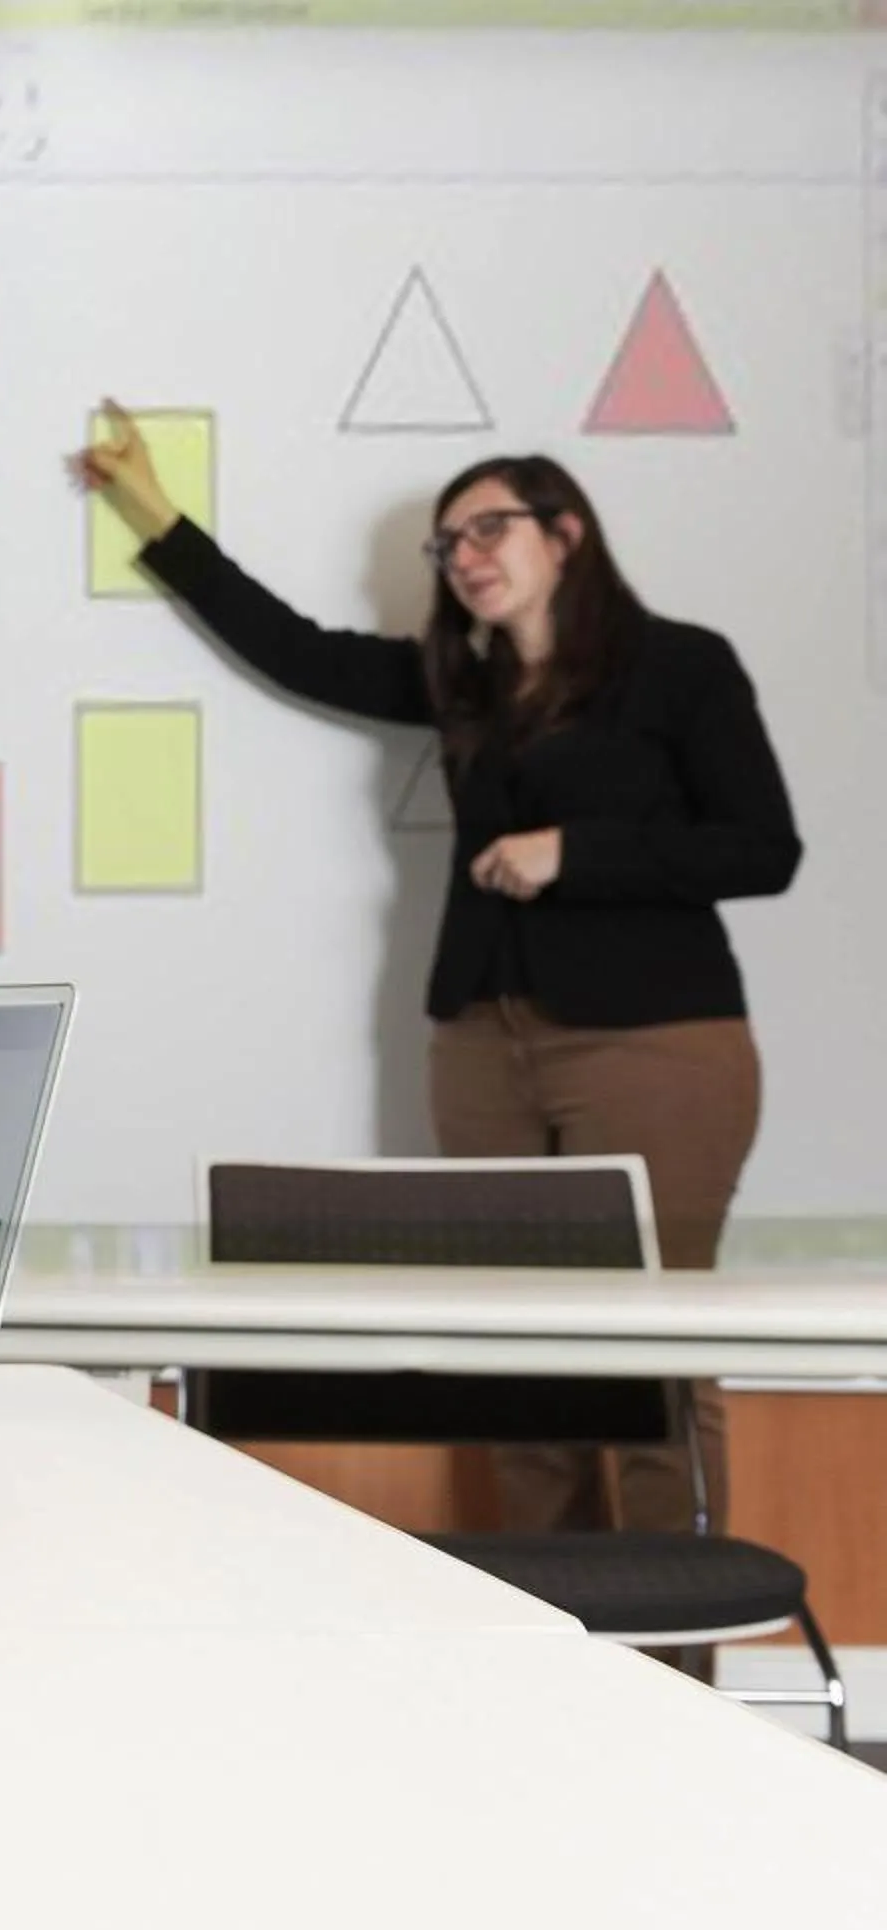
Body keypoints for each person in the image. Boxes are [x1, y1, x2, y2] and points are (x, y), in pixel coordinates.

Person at [75, 404, 802, 1532]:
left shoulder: (682, 668)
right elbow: (294, 648)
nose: (463, 557)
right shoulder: (462, 687)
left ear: (565, 534)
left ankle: (676, 1666)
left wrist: (578, 852)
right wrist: (152, 513)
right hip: (482, 1047)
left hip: (655, 1046)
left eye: (488, 530)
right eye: (447, 544)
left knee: (660, 1354)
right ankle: (557, 1654)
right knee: (519, 1355)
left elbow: (765, 849)